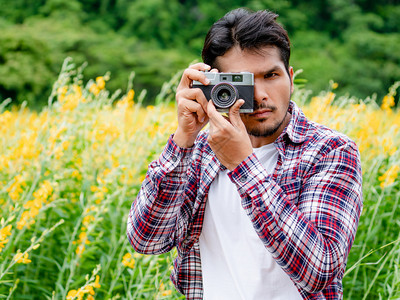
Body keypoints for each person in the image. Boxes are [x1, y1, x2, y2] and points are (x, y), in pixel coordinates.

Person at [127, 7, 363, 300]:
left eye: (271, 75)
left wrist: (242, 164)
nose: (261, 94)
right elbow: (145, 240)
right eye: (245, 82)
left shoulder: (330, 150)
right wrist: (184, 137)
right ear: (216, 87)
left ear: (290, 77)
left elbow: (320, 269)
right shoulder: (200, 152)